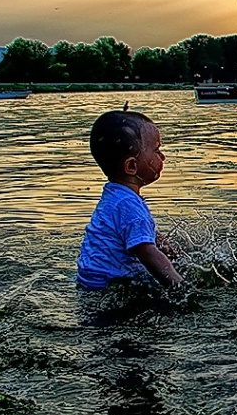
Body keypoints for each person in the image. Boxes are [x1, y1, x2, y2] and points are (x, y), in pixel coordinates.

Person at [76, 109, 183, 291]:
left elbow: (149, 236)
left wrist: (176, 256)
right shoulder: (128, 205)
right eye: (157, 150)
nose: (162, 157)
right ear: (132, 166)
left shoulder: (116, 195)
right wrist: (181, 287)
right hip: (108, 287)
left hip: (90, 280)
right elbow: (148, 253)